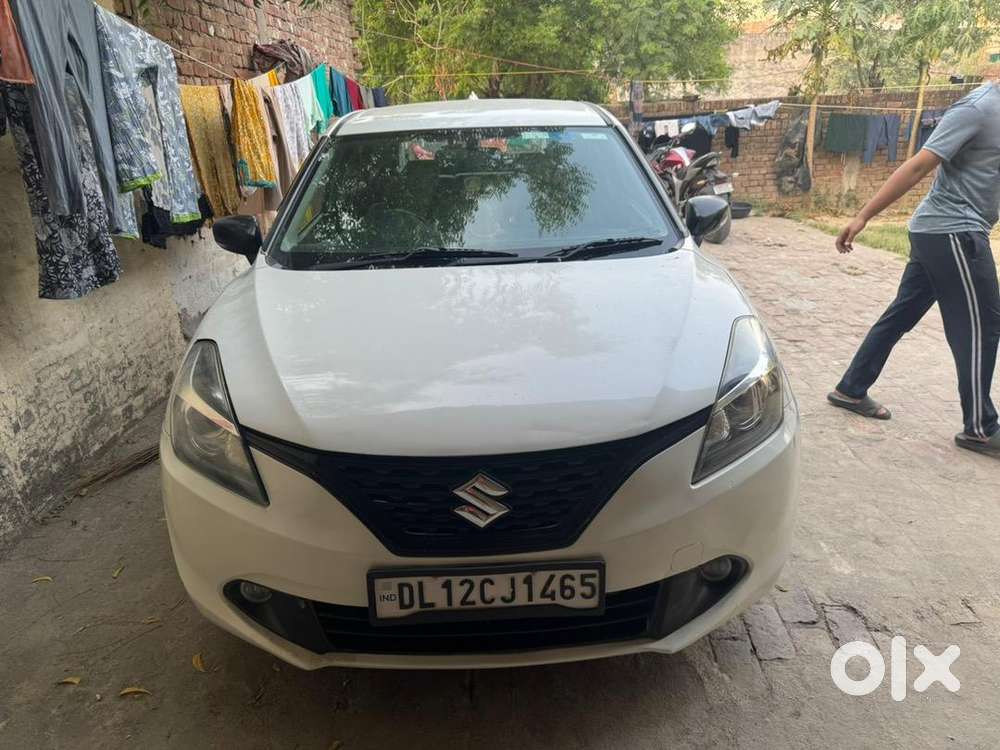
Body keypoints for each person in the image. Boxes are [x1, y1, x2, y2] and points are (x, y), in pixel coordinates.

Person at [828, 81, 1000, 458]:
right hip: (953, 231)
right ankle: (981, 428)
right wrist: (863, 216)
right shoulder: (978, 108)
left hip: (942, 231)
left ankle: (851, 388)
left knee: (902, 313)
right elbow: (919, 164)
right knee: (982, 326)